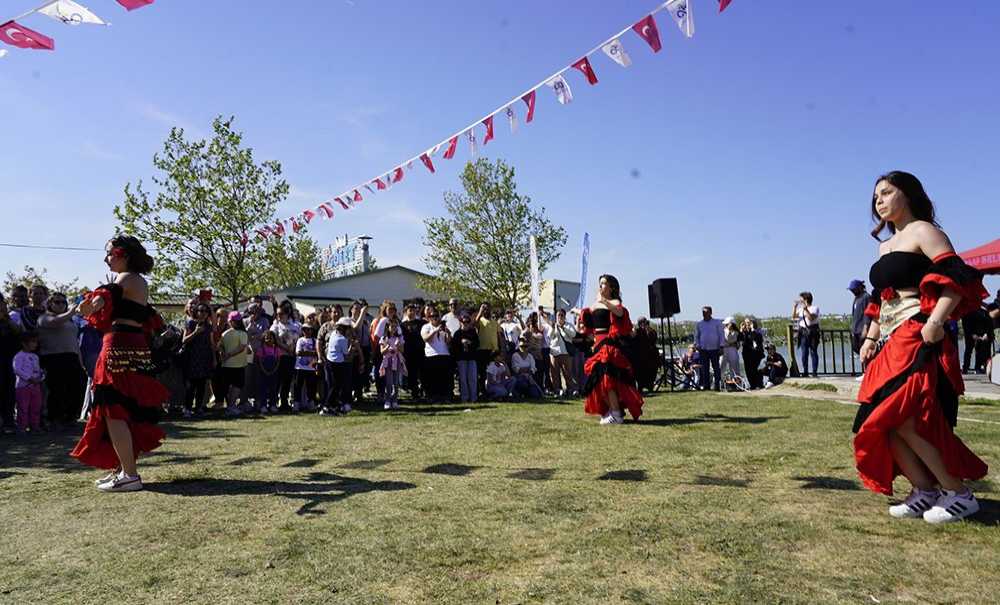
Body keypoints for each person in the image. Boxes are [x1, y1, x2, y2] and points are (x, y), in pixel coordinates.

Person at [854, 170, 988, 523]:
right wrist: (870, 338)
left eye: (886, 193)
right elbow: (880, 301)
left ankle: (958, 493)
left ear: (908, 195)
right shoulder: (885, 246)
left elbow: (958, 279)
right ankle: (924, 489)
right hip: (890, 339)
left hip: (918, 333)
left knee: (907, 418)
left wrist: (936, 321)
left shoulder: (925, 232)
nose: (879, 201)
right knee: (883, 420)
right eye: (876, 197)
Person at [70, 235, 169, 492]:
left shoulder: (124, 279)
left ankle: (130, 475)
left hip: (119, 347)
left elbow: (101, 300)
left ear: (124, 255)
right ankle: (122, 469)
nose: (106, 259)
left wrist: (92, 305)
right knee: (118, 409)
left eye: (110, 254)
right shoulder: (135, 281)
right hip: (128, 344)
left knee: (113, 408)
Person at [579, 274, 644, 424]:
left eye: (603, 284)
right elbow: (588, 324)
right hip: (598, 344)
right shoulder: (594, 305)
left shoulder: (614, 302)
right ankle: (614, 410)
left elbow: (620, 313)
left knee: (608, 379)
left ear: (611, 287)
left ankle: (616, 413)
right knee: (599, 381)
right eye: (600, 284)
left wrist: (604, 302)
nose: (600, 286)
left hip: (609, 345)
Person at [36, 291, 87, 428]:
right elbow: (56, 321)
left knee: (75, 389)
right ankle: (54, 419)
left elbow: (74, 343)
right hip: (53, 358)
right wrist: (73, 310)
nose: (61, 305)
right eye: (57, 302)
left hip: (72, 358)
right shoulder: (43, 318)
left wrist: (80, 361)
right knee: (56, 390)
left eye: (63, 302)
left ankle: (70, 418)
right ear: (49, 304)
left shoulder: (70, 321)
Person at [181, 302, 216, 417]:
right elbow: (184, 340)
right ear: (196, 311)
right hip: (192, 357)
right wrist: (195, 333)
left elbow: (211, 343)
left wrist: (214, 358)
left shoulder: (208, 325)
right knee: (191, 385)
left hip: (205, 357)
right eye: (201, 311)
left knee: (202, 385)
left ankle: (198, 408)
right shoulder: (190, 323)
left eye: (206, 311)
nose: (203, 313)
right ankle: (187, 408)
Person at [217, 311, 249, 417]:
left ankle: (230, 407)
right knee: (237, 386)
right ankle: (231, 407)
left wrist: (224, 355)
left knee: (229, 387)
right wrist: (228, 354)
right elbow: (241, 347)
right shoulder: (242, 333)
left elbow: (219, 346)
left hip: (226, 365)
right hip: (238, 365)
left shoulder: (225, 333)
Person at [320, 317, 354, 415]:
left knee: (333, 385)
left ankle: (333, 405)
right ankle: (326, 406)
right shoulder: (343, 339)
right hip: (337, 364)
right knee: (336, 386)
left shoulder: (333, 335)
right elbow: (346, 354)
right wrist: (352, 346)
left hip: (329, 362)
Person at [12, 332, 44, 432]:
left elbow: (38, 370)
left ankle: (34, 426)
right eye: (33, 342)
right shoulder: (19, 356)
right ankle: (22, 427)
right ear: (24, 343)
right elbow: (17, 369)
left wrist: (41, 377)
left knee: (36, 406)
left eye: (36, 342)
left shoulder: (35, 356)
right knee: (23, 407)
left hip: (35, 386)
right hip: (23, 387)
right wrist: (29, 378)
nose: (35, 344)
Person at [420, 308, 452, 403]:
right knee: (432, 378)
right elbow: (426, 339)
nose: (435, 318)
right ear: (429, 317)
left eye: (437, 316)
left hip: (444, 354)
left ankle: (444, 397)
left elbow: (448, 341)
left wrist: (448, 333)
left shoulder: (443, 327)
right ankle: (433, 397)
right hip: (431, 356)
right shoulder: (426, 327)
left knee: (444, 378)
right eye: (432, 316)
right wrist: (435, 331)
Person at [0, 294, 21, 434]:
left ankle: (8, 421)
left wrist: (5, 317)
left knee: (8, 392)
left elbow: (18, 332)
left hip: (8, 360)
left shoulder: (8, 319)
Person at [473, 303, 502, 397]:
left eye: (487, 308)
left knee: (493, 371)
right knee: (482, 373)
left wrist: (500, 348)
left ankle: (494, 390)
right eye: (484, 309)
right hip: (482, 350)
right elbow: (475, 324)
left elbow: (499, 336)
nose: (486, 310)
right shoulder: (480, 320)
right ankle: (482, 391)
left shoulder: (495, 322)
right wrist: (480, 311)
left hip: (493, 350)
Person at [379, 315, 407, 410]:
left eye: (395, 326)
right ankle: (387, 400)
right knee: (388, 382)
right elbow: (381, 352)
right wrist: (387, 347)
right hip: (388, 362)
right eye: (392, 326)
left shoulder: (400, 338)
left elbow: (402, 350)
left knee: (396, 382)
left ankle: (394, 400)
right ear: (388, 327)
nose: (394, 328)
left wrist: (398, 346)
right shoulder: (384, 338)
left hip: (397, 361)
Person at [549, 309, 579, 396]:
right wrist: (553, 327)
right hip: (554, 353)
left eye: (562, 315)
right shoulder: (553, 326)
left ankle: (571, 390)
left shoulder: (568, 325)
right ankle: (557, 390)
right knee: (554, 373)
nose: (560, 317)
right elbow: (550, 336)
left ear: (565, 316)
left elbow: (573, 334)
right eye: (558, 315)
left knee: (567, 373)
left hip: (566, 353)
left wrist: (563, 327)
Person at [451, 312, 479, 403]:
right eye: (464, 322)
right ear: (460, 322)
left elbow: (477, 344)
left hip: (472, 358)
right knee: (463, 379)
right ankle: (464, 398)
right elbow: (453, 347)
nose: (465, 323)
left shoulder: (473, 332)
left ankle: (473, 398)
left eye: (467, 322)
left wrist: (470, 342)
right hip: (461, 359)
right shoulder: (457, 333)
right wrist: (461, 342)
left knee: (473, 379)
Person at [694, 306, 724, 391]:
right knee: (704, 369)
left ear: (710, 312)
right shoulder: (699, 324)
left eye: (706, 312)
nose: (704, 314)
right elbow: (696, 336)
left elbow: (721, 335)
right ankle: (706, 386)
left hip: (715, 349)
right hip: (703, 350)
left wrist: (721, 346)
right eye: (703, 312)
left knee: (716, 368)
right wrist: (697, 345)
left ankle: (717, 385)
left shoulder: (717, 323)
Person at [400, 304, 426, 401]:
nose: (411, 312)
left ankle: (424, 392)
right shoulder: (402, 325)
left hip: (420, 352)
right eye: (409, 310)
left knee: (422, 374)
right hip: (408, 353)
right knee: (411, 374)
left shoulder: (421, 323)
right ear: (406, 312)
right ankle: (414, 393)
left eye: (413, 310)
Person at [291, 324, 319, 412]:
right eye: (305, 330)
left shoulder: (315, 341)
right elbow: (298, 352)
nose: (307, 331)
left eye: (309, 329)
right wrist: (311, 353)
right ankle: (296, 403)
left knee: (311, 387)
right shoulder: (300, 340)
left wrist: (306, 352)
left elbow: (317, 353)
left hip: (311, 367)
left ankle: (311, 403)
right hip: (300, 367)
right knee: (297, 386)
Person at [792, 291, 821, 377]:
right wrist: (794, 307)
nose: (799, 300)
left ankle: (814, 372)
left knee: (813, 352)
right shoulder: (800, 309)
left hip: (812, 332)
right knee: (804, 353)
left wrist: (805, 309)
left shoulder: (815, 308)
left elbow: (811, 318)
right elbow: (794, 317)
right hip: (803, 332)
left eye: (801, 298)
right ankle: (805, 372)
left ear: (805, 299)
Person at [255, 330, 281, 414]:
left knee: (273, 389)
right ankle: (263, 405)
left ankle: (273, 405)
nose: (269, 340)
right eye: (267, 338)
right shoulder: (261, 349)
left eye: (271, 338)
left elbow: (278, 361)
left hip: (274, 372)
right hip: (263, 372)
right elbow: (260, 361)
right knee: (263, 389)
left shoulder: (276, 349)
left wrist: (273, 370)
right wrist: (264, 371)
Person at [739, 317, 765, 390]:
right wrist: (741, 330)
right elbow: (740, 339)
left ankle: (758, 384)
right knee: (747, 369)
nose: (747, 324)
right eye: (746, 323)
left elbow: (756, 338)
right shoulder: (744, 332)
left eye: (749, 323)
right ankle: (752, 385)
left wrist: (753, 329)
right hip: (746, 353)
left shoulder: (757, 331)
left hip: (756, 353)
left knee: (754, 369)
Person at [848, 280, 872, 356]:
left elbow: (868, 314)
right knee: (855, 348)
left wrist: (865, 328)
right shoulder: (856, 298)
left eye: (853, 289)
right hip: (856, 330)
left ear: (859, 287)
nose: (852, 291)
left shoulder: (866, 297)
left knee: (865, 351)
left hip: (862, 330)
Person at [719, 316, 741, 388]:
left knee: (735, 367)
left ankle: (736, 383)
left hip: (733, 350)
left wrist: (732, 344)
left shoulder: (736, 332)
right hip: (724, 351)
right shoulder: (722, 331)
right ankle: (721, 383)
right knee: (722, 367)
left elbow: (737, 344)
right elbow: (724, 340)